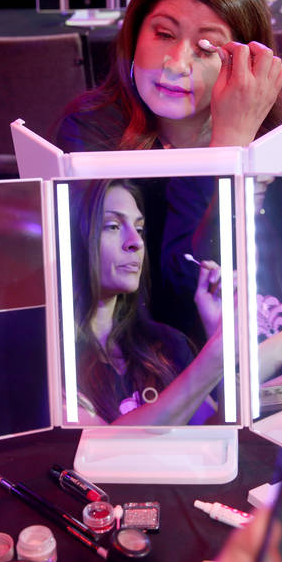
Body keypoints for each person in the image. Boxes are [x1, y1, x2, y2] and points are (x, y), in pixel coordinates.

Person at [56, 0, 282, 296]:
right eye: (163, 34)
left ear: (245, 58)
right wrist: (229, 147)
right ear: (134, 33)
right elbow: (185, 286)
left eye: (208, 46)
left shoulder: (278, 129)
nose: (177, 63)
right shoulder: (92, 132)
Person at [70, 179, 225, 426]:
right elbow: (106, 448)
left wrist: (217, 330)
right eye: (112, 226)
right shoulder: (57, 361)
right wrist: (217, 354)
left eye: (139, 229)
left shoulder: (166, 345)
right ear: (74, 238)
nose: (136, 241)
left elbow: (211, 434)